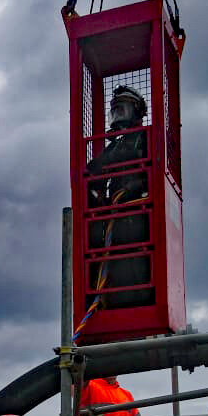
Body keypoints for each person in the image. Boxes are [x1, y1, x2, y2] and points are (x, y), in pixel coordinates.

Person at [84, 84, 154, 309]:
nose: (116, 114)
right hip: (114, 217)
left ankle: (138, 300)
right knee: (113, 262)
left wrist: (136, 186)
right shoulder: (114, 147)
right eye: (114, 109)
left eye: (121, 108)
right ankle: (106, 301)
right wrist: (96, 196)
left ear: (136, 111)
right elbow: (92, 171)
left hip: (138, 214)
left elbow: (154, 171)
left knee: (134, 262)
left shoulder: (145, 139)